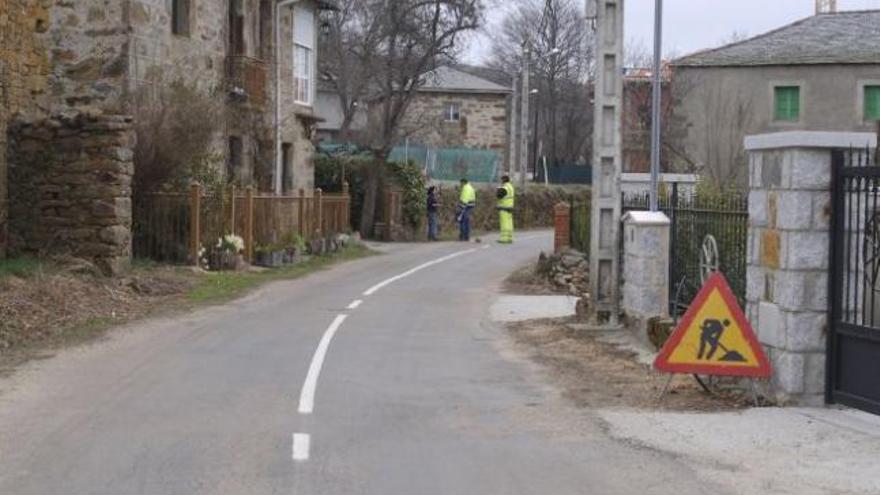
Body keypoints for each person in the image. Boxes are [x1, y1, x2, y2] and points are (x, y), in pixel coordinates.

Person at [496, 175, 515, 244]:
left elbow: (499, 195)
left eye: (501, 180)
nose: (500, 181)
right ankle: (510, 237)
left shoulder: (505, 187)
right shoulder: (510, 187)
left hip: (503, 207)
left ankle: (504, 238)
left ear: (504, 180)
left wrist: (498, 189)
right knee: (509, 222)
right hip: (510, 207)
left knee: (504, 223)